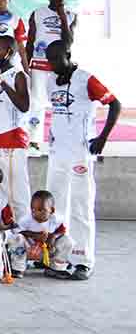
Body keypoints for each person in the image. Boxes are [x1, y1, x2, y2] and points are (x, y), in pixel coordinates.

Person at [43, 39, 119, 280]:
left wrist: (102, 138)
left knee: (80, 206)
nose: (51, 64)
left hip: (79, 153)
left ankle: (83, 260)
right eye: (49, 60)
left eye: (56, 59)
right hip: (57, 154)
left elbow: (114, 104)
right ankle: (59, 257)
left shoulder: (86, 79)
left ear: (67, 54)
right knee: (56, 207)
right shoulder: (49, 81)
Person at [0, 35, 31, 221]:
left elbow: (24, 105)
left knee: (16, 191)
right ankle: (5, 231)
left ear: (8, 52)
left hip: (12, 140)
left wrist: (0, 81)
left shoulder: (18, 75)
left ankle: (24, 231)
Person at [27, 0, 77, 147]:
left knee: (61, 101)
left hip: (60, 66)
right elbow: (30, 41)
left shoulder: (71, 15)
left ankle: (61, 138)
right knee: (37, 102)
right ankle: (34, 139)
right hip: (40, 65)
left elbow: (69, 42)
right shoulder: (37, 13)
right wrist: (27, 66)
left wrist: (62, 15)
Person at [14, 190, 73, 279]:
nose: (35, 213)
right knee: (17, 238)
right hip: (30, 249)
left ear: (51, 210)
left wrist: (53, 236)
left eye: (41, 210)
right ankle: (18, 267)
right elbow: (18, 231)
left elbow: (62, 230)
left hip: (48, 249)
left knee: (67, 241)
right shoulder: (26, 220)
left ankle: (56, 268)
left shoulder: (56, 219)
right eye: (33, 209)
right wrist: (35, 235)